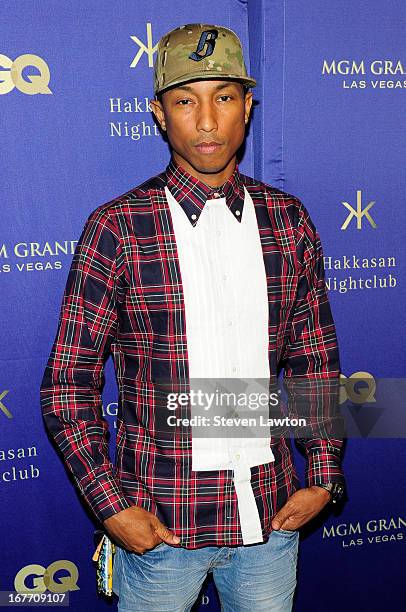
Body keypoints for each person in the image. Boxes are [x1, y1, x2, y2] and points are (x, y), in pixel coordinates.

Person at [40, 23, 346, 611]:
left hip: (270, 518)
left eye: (224, 98)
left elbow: (314, 361)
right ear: (159, 113)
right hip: (159, 526)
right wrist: (111, 506)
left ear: (248, 106)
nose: (207, 121)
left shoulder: (288, 221)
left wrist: (323, 478)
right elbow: (68, 385)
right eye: (185, 100)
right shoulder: (119, 228)